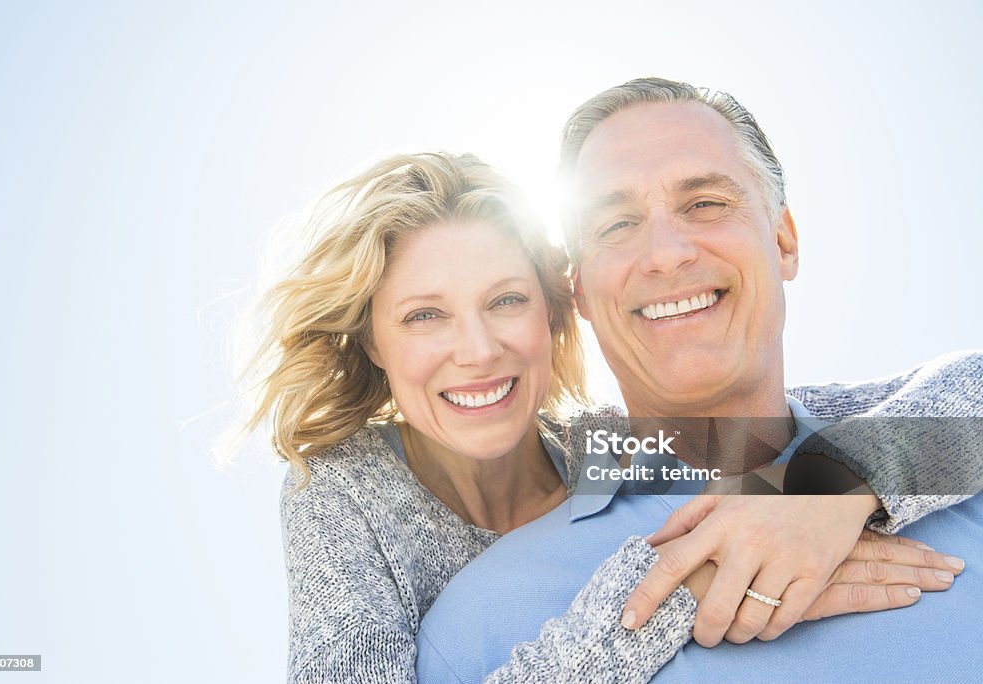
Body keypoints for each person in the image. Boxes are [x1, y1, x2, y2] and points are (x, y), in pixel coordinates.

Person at [232, 150, 966, 683]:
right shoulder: (342, 489)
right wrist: (664, 593)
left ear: (555, 314)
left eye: (506, 301)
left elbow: (964, 407)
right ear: (373, 342)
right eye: (426, 316)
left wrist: (831, 487)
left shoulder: (607, 447)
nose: (479, 350)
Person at [414, 77, 983, 682]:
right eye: (616, 225)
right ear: (578, 290)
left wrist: (827, 479)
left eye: (705, 204)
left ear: (784, 241)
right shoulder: (480, 625)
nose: (666, 253)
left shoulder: (956, 468)